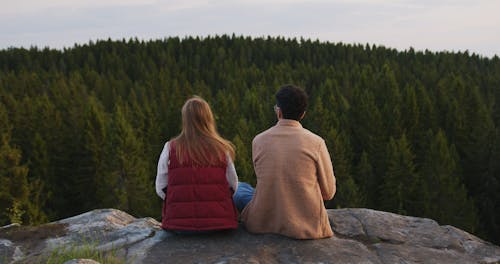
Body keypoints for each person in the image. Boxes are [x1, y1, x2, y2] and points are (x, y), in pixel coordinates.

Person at [234, 84, 336, 239]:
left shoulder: (259, 140)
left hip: (263, 220)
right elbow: (328, 192)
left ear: (278, 111)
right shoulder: (316, 142)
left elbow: (267, 180)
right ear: (302, 114)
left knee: (239, 189)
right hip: (307, 226)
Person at [155, 96, 239, 232]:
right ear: (209, 119)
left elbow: (161, 187)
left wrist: (180, 198)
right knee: (243, 188)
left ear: (185, 120)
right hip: (220, 226)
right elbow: (233, 186)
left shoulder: (170, 148)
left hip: (179, 227)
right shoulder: (222, 148)